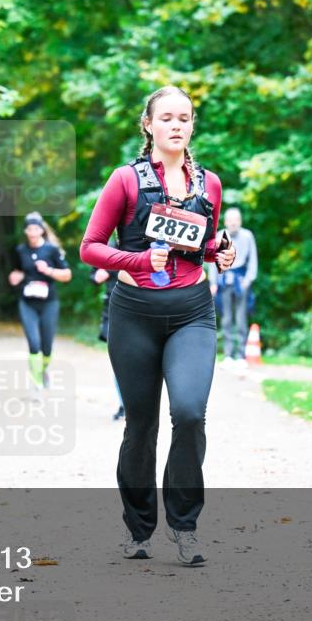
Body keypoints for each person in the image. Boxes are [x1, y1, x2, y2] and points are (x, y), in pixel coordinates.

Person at [79, 85, 236, 565]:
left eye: (184, 118)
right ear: (148, 124)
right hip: (135, 313)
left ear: (192, 125)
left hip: (191, 311)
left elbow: (200, 245)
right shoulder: (125, 179)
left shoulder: (208, 184)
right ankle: (139, 530)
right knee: (141, 425)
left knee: (189, 414)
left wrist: (219, 252)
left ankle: (185, 527)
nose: (176, 125)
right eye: (166, 117)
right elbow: (90, 246)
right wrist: (140, 259)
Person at [8, 212, 72, 389]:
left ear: (41, 230)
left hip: (49, 303)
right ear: (25, 231)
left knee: (47, 348)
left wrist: (48, 270)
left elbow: (67, 275)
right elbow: (17, 271)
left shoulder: (51, 250)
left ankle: (43, 370)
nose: (33, 232)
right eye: (29, 229)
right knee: (34, 343)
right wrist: (15, 277)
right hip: (27, 302)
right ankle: (36, 383)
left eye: (36, 228)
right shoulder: (20, 250)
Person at [207, 208, 258, 369]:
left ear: (240, 221)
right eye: (230, 220)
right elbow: (213, 261)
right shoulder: (220, 236)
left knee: (241, 318)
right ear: (226, 221)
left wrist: (248, 280)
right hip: (224, 281)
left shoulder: (247, 236)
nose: (233, 222)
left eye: (236, 219)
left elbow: (253, 260)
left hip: (241, 281)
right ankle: (228, 354)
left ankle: (241, 354)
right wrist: (213, 283)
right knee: (226, 318)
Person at [90, 238, 125, 421]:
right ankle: (124, 405)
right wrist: (98, 275)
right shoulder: (107, 248)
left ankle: (137, 404)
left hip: (141, 308)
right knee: (119, 361)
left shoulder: (144, 243)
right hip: (113, 308)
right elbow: (93, 275)